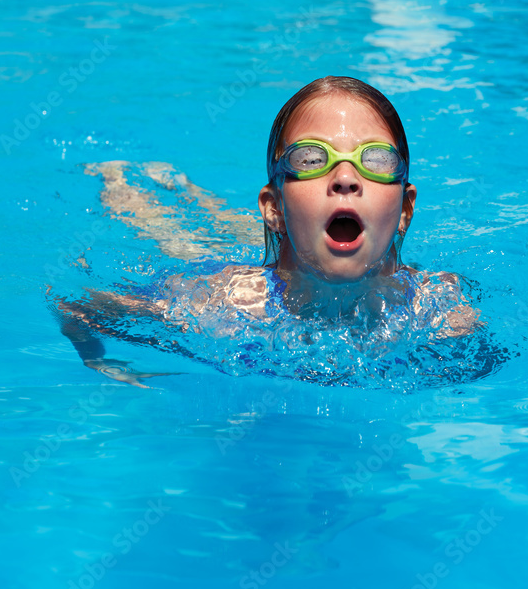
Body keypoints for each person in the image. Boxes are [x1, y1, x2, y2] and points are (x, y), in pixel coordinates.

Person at [51, 76, 480, 387]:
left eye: (376, 161)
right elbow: (77, 306)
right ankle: (121, 181)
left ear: (405, 210)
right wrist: (102, 363)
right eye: (312, 159)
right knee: (175, 237)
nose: (346, 178)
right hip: (251, 273)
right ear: (273, 208)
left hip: (284, 245)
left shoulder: (438, 306)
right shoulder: (222, 304)